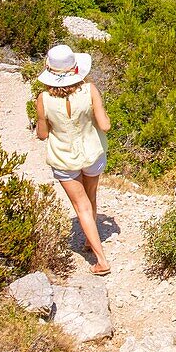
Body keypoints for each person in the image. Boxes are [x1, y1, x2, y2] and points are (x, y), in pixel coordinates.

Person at [35, 45, 112, 276]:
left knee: (81, 206)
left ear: (49, 70)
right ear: (75, 69)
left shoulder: (44, 99)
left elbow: (42, 134)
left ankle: (101, 260)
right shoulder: (89, 90)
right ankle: (91, 243)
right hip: (92, 152)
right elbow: (105, 125)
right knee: (91, 196)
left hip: (64, 157)